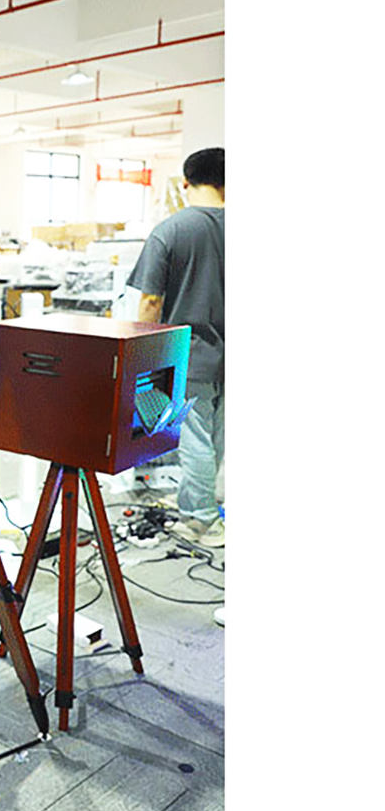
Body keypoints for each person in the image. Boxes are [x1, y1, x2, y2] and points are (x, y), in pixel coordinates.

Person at [128, 147, 225, 557]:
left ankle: (202, 520)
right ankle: (203, 502)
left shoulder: (171, 230)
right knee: (219, 437)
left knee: (195, 437)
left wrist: (143, 354)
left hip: (192, 354)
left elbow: (151, 300)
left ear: (186, 183)